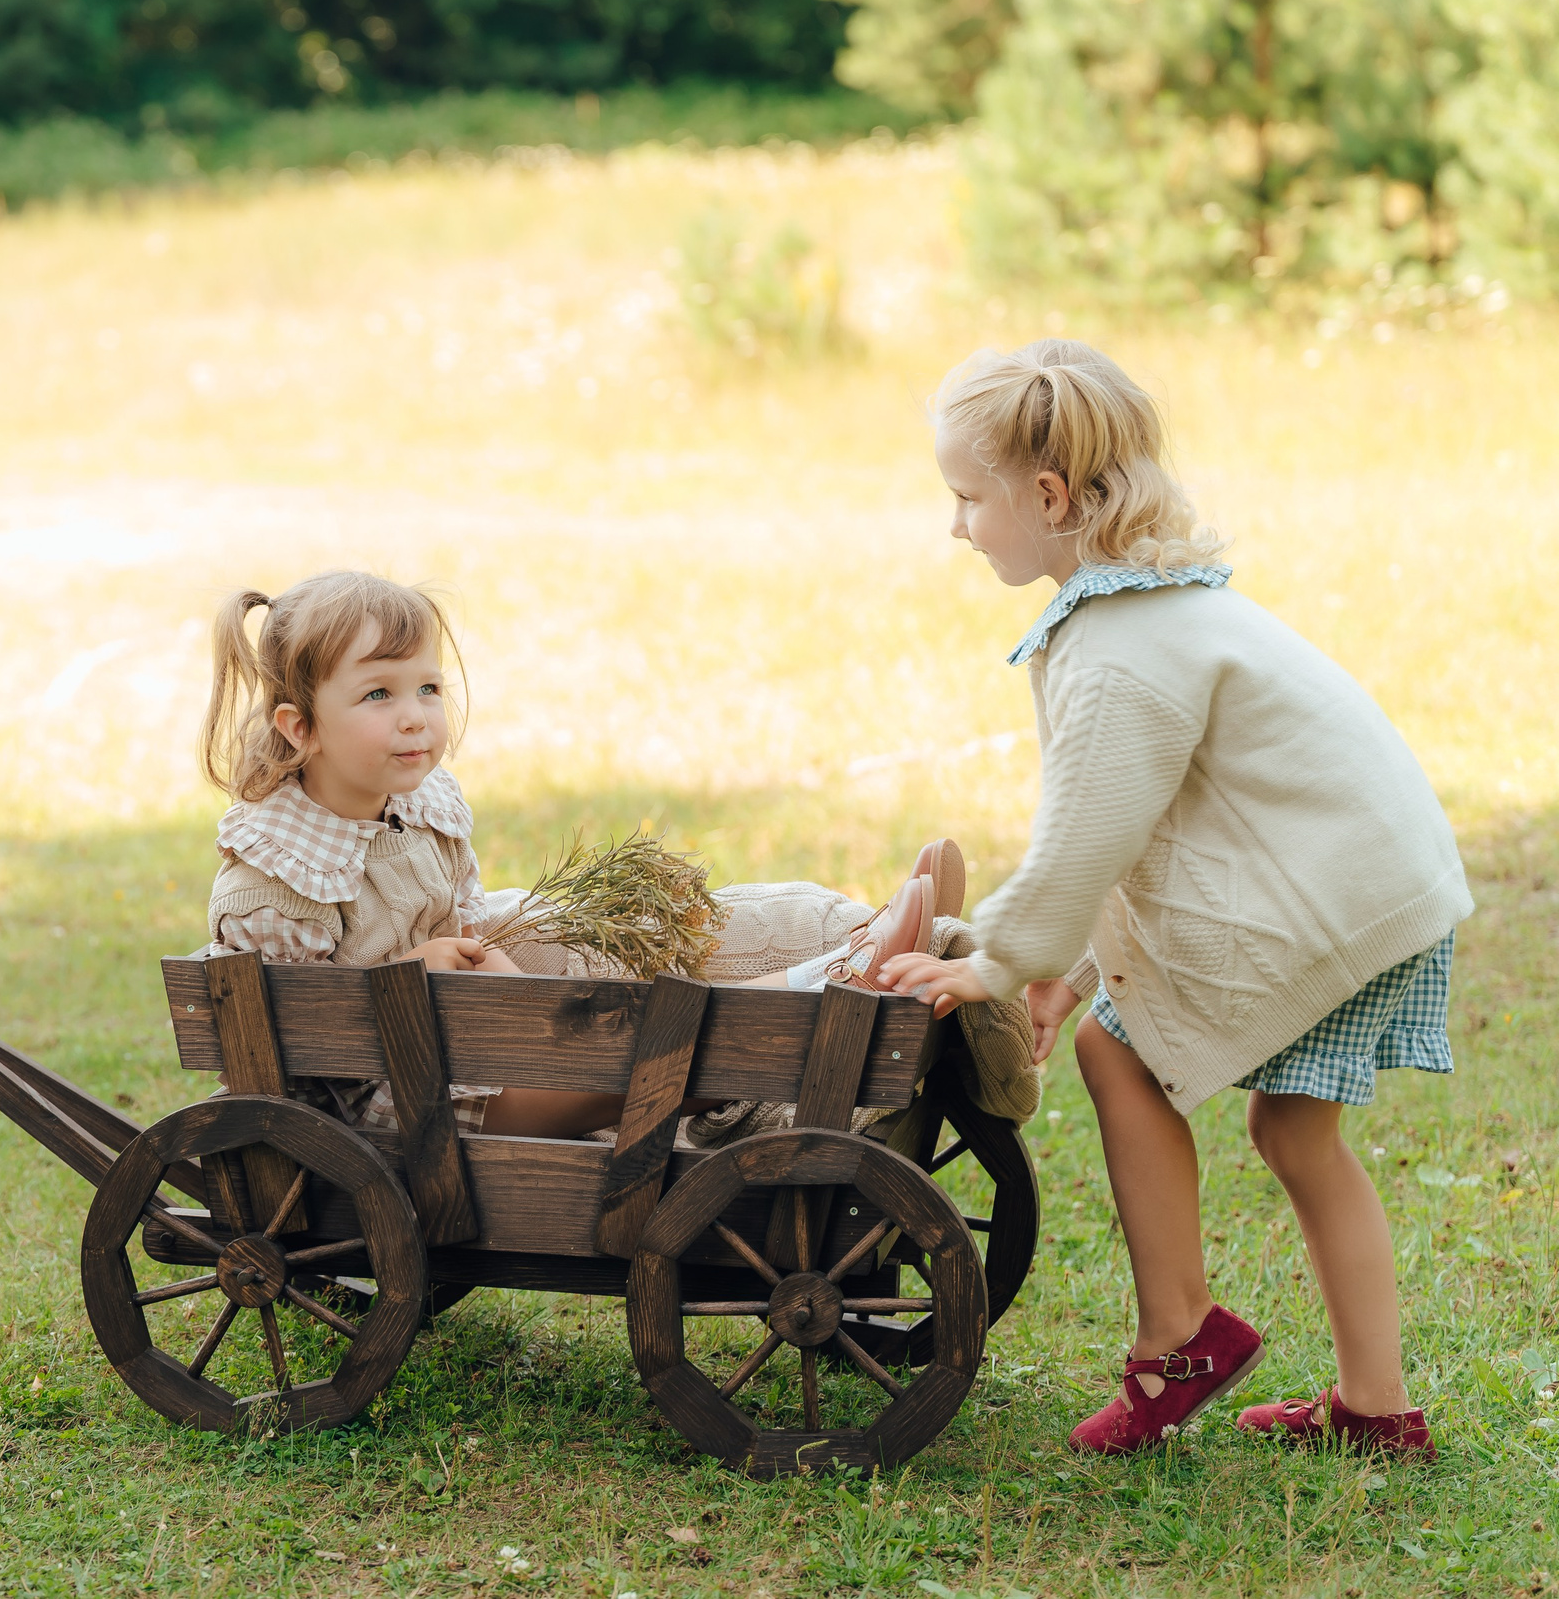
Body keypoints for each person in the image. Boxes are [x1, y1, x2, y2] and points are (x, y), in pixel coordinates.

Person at [881, 340, 1469, 1459]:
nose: (957, 525)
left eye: (966, 497)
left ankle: (1182, 1337)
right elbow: (1160, 827)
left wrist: (996, 959)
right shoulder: (1151, 610)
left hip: (1335, 894)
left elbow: (1091, 834)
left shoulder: (1122, 647)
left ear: (1046, 496)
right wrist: (1071, 967)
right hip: (1366, 880)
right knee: (1291, 1133)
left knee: (1137, 1064)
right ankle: (1373, 1408)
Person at [200, 570, 975, 1143]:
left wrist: (490, 979)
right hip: (415, 1116)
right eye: (379, 696)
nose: (417, 719)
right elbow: (285, 1063)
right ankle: (835, 978)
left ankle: (834, 940)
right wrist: (409, 983)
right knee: (656, 1063)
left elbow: (466, 930)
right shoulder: (276, 880)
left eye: (428, 688)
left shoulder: (420, 814)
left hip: (468, 1046)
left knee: (636, 996)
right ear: (299, 728)